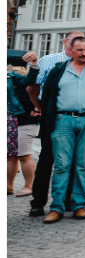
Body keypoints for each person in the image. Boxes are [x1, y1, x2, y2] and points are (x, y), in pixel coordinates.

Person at [40, 37, 85, 223]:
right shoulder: (58, 70)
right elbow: (47, 95)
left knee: (83, 165)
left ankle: (79, 205)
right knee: (61, 165)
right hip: (62, 120)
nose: (84, 53)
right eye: (80, 50)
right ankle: (56, 207)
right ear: (71, 50)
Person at [26, 30, 85, 217]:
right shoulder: (50, 61)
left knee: (75, 161)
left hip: (81, 119)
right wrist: (42, 109)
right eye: (76, 42)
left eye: (84, 44)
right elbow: (33, 87)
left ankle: (67, 201)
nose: (80, 47)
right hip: (55, 116)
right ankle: (39, 202)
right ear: (67, 42)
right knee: (47, 160)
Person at [7, 53, 39, 196]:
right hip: (12, 121)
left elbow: (30, 83)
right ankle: (8, 186)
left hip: (24, 121)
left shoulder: (12, 77)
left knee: (24, 155)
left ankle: (28, 186)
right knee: (11, 156)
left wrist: (34, 64)